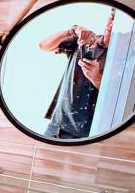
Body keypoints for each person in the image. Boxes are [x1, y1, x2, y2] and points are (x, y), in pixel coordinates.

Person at [40, 12, 114, 140]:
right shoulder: (86, 40)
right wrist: (73, 31)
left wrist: (96, 78)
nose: (112, 22)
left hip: (84, 134)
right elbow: (44, 46)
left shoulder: (125, 56)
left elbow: (118, 99)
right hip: (55, 126)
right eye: (112, 16)